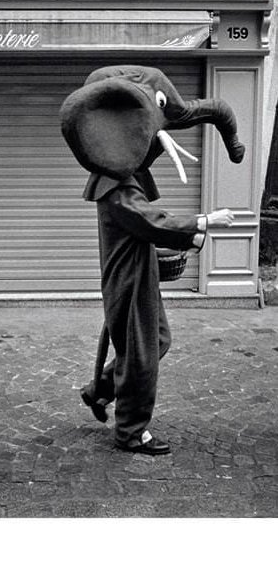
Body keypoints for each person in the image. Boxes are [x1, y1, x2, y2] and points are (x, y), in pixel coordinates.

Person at [79, 169, 234, 455]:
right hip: (130, 283)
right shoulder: (118, 191)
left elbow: (139, 235)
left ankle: (99, 390)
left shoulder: (117, 185)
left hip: (137, 279)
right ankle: (130, 433)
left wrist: (189, 241)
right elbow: (150, 223)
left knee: (157, 340)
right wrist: (205, 222)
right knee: (140, 355)